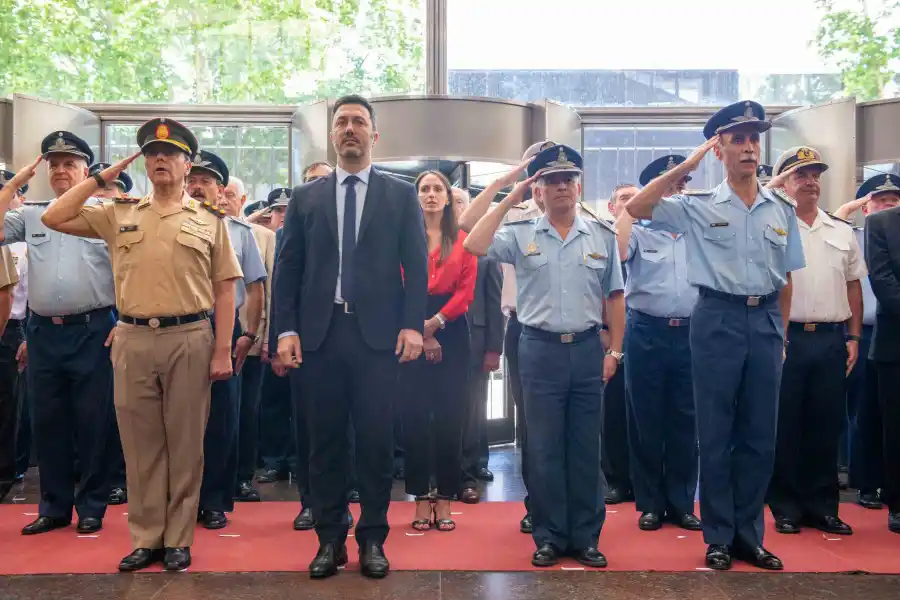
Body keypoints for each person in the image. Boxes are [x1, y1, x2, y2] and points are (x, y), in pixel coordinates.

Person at [39, 117, 242, 571]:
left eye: (169, 154)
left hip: (190, 336)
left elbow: (226, 288)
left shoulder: (209, 219)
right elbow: (55, 215)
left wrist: (223, 349)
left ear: (188, 164)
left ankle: (178, 538)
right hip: (132, 337)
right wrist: (100, 177)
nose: (159, 160)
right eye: (152, 154)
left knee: (186, 443)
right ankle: (147, 537)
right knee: (139, 444)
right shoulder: (120, 211)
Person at [625, 100, 805, 571]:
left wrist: (781, 336)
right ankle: (719, 536)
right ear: (719, 148)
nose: (748, 147)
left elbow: (787, 279)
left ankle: (751, 536)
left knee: (760, 435)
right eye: (738, 139)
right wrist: (686, 166)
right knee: (717, 432)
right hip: (716, 320)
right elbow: (639, 206)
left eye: (753, 139)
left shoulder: (780, 208)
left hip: (764, 321)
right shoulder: (696, 206)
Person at [272, 94, 428, 579]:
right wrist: (285, 329)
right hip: (321, 336)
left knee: (378, 444)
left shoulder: (399, 194)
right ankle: (329, 538)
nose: (350, 129)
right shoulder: (307, 197)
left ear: (373, 135)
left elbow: (417, 266)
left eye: (359, 122)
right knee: (324, 444)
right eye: (342, 122)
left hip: (379, 338)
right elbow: (288, 268)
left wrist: (412, 324)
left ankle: (373, 539)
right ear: (332, 135)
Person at [464, 144, 626, 569]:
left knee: (586, 447)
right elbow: (471, 237)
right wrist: (507, 191)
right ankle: (550, 535)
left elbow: (615, 297)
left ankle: (586, 537)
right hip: (537, 349)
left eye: (567, 180)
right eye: (551, 180)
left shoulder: (603, 235)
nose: (561, 187)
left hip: (588, 349)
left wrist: (615, 349)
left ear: (579, 186)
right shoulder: (520, 234)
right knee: (545, 448)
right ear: (538, 188)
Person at [0, 133, 117, 538]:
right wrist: (14, 185)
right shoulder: (31, 214)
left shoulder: (109, 212)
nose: (61, 170)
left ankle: (91, 506)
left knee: (92, 422)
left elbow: (130, 270)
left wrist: (123, 323)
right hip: (44, 332)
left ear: (88, 171)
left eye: (70, 163)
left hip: (95, 329)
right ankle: (53, 506)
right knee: (48, 422)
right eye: (55, 164)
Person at [764, 147, 863, 537]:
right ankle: (785, 507)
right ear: (783, 183)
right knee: (785, 425)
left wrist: (854, 335)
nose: (811, 182)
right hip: (787, 338)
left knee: (826, 424)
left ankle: (823, 507)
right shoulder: (774, 227)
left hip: (829, 339)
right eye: (801, 175)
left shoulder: (840, 230)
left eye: (815, 175)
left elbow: (853, 285)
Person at [458, 139, 554, 534]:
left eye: (561, 173)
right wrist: (512, 179)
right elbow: (467, 225)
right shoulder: (513, 216)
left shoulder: (581, 218)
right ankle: (538, 505)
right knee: (531, 428)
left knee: (571, 430)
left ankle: (572, 507)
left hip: (574, 334)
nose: (552, 181)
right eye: (542, 171)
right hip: (524, 328)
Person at [615, 165, 701, 532]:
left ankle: (682, 502)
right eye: (668, 186)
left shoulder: (699, 231)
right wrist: (632, 208)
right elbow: (616, 252)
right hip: (646, 331)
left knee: (686, 420)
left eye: (681, 185)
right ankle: (649, 502)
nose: (676, 192)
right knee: (646, 420)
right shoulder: (638, 231)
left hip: (692, 334)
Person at [186, 150, 266, 529]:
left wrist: (249, 333)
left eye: (206, 181)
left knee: (222, 419)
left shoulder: (239, 233)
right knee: (178, 420)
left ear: (221, 190)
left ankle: (215, 499)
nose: (197, 186)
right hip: (178, 326)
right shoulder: (169, 224)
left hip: (225, 328)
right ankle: (180, 500)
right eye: (193, 179)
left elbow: (255, 288)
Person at [401, 171, 476, 531]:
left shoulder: (463, 239)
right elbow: (395, 287)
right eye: (424, 189)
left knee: (449, 418)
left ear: (448, 198)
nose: (431, 195)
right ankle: (419, 497)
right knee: (414, 416)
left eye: (437, 189)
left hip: (453, 331)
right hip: (409, 329)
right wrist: (421, 329)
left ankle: (445, 497)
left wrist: (436, 324)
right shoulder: (403, 240)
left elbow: (466, 292)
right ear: (416, 197)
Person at [835, 185, 899, 509]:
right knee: (864, 411)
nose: (888, 205)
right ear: (866, 205)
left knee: (883, 413)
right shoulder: (855, 235)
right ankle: (864, 481)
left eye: (893, 200)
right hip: (864, 333)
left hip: (888, 332)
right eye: (880, 200)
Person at [226, 176, 276, 503]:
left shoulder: (264, 237)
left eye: (231, 195)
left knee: (246, 411)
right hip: (208, 336)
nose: (224, 199)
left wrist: (266, 337)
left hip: (250, 337)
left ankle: (243, 477)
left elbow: (269, 291)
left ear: (242, 199)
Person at [457, 187, 504, 504]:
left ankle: (472, 465)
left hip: (476, 339)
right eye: (458, 203)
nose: (462, 210)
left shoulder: (487, 251)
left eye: (465, 203)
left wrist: (493, 348)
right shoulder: (431, 246)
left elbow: (494, 300)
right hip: (441, 337)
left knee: (474, 408)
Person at [89, 161, 132, 506]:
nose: (102, 196)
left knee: (119, 412)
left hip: (123, 321)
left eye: (108, 190)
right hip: (92, 323)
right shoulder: (85, 222)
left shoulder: (127, 222)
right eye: (98, 188)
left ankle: (119, 480)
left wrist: (122, 321)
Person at [860, 173, 900, 534]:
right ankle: (897, 501)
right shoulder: (880, 223)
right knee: (895, 426)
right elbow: (884, 281)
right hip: (895, 342)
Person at [0, 170, 22, 502]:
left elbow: (6, 294)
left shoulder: (6, 243)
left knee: (5, 408)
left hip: (7, 333)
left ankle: (3, 475)